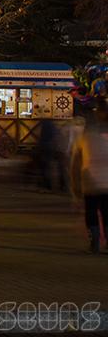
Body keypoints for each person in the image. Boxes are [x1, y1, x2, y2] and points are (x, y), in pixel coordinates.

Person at [71, 100, 108, 253]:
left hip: (90, 183)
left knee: (91, 212)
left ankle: (94, 242)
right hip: (107, 183)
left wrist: (76, 188)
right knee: (107, 212)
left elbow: (75, 166)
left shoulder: (82, 140)